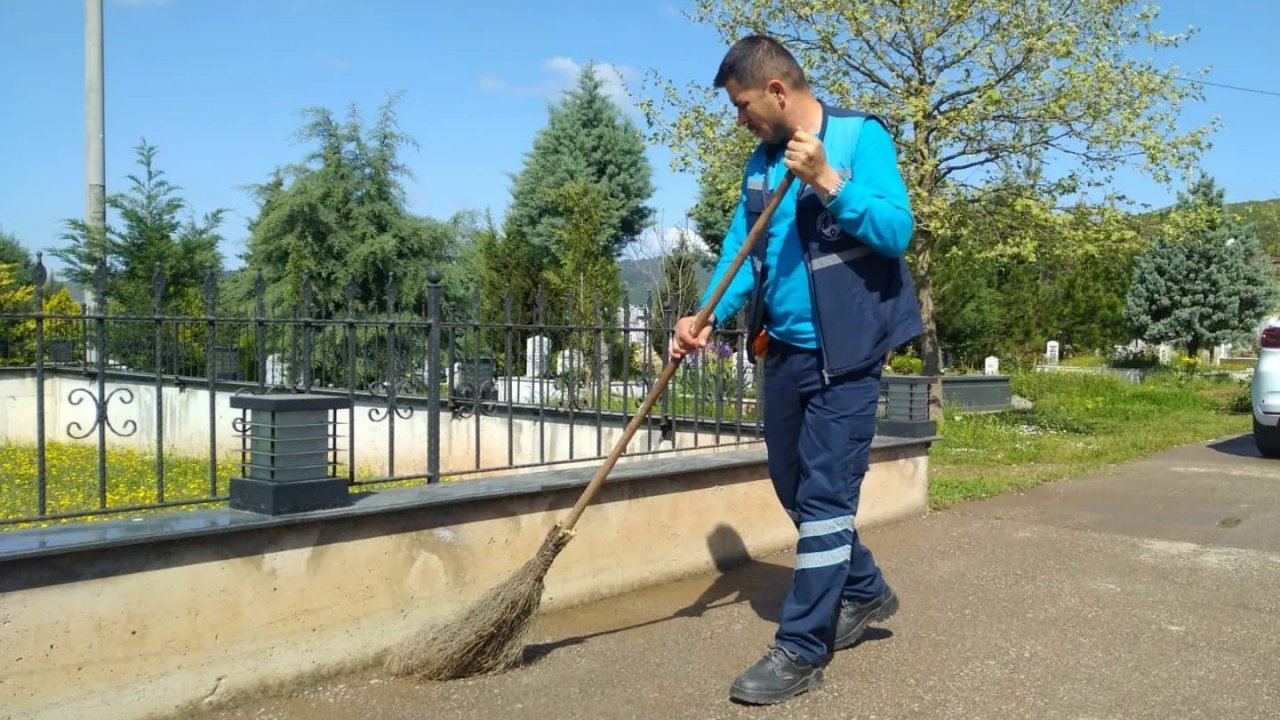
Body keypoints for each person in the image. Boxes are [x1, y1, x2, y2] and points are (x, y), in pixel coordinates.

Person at [669, 35, 923, 705]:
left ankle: (801, 648)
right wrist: (703, 317)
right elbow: (737, 248)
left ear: (777, 92)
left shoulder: (860, 139)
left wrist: (827, 183)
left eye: (743, 104)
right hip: (780, 352)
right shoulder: (759, 164)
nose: (741, 118)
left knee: (826, 497)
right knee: (791, 483)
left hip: (848, 355)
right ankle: (864, 588)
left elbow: (898, 232)